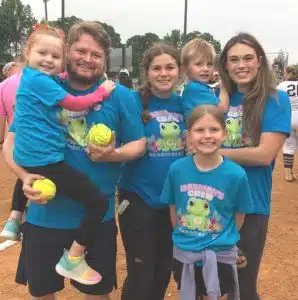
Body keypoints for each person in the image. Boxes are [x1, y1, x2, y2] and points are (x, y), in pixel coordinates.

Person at [3, 21, 146, 300]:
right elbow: (10, 142)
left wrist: (113, 155)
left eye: (96, 54)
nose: (87, 59)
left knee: (96, 296)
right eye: (81, 50)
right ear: (68, 51)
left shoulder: (122, 95)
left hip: (96, 221)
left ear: (105, 58)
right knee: (42, 294)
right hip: (45, 218)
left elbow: (139, 144)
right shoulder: (44, 87)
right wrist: (23, 176)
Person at [218, 33, 291, 300]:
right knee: (213, 284)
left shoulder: (275, 100)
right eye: (234, 60)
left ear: (259, 61)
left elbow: (264, 155)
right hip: (212, 202)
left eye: (248, 58)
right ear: (225, 65)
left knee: (242, 287)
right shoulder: (221, 101)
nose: (241, 65)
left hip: (251, 204)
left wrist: (214, 152)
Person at [161, 105, 254, 300]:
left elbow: (240, 213)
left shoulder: (236, 174)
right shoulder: (177, 169)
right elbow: (173, 207)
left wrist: (223, 239)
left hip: (219, 254)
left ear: (225, 133)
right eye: (199, 130)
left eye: (214, 129)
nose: (207, 136)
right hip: (185, 253)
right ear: (188, 135)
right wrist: (186, 237)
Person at [118, 43, 185, 300]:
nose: (164, 73)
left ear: (179, 70)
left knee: (162, 271)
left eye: (170, 67)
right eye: (156, 68)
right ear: (146, 72)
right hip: (136, 196)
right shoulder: (133, 100)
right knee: (141, 271)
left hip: (173, 200)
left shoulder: (185, 104)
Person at [180, 38, 229, 120]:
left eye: (209, 64)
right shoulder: (195, 88)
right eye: (199, 64)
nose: (205, 69)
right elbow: (222, 109)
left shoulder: (199, 87)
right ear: (185, 68)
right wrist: (224, 86)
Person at [277, 65, 298, 181]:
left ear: (289, 73)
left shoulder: (281, 85)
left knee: (288, 146)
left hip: (288, 117)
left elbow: (276, 101)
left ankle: (288, 175)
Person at [0, 72, 21, 150]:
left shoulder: (4, 84)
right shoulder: (53, 80)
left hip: (17, 142)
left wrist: (1, 142)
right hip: (50, 142)